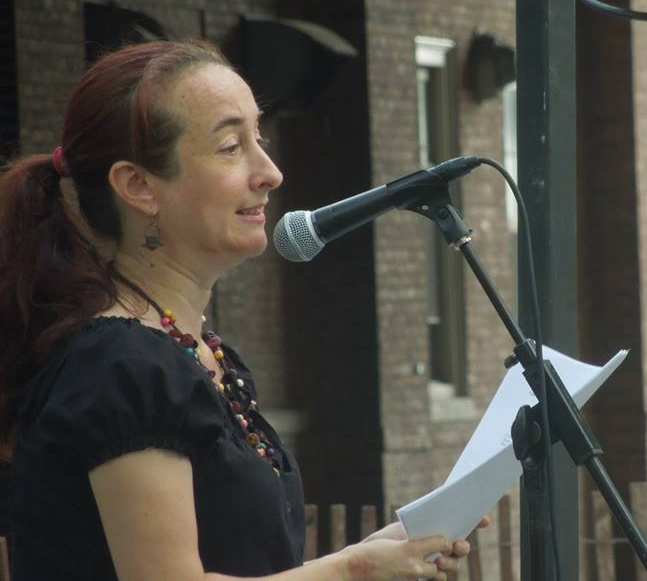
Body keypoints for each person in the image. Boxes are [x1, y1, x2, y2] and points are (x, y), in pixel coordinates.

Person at [0, 39, 486, 580]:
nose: (271, 172)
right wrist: (354, 571)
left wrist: (382, 550)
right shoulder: (121, 366)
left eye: (261, 137)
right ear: (138, 186)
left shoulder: (198, 356)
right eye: (231, 147)